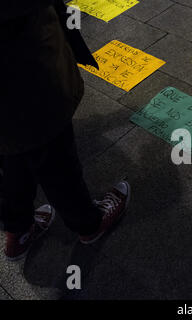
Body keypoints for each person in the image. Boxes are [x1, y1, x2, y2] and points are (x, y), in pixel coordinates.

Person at [0, 1, 130, 261]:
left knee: (8, 153)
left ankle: (18, 230)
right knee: (52, 150)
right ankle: (89, 224)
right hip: (18, 59)